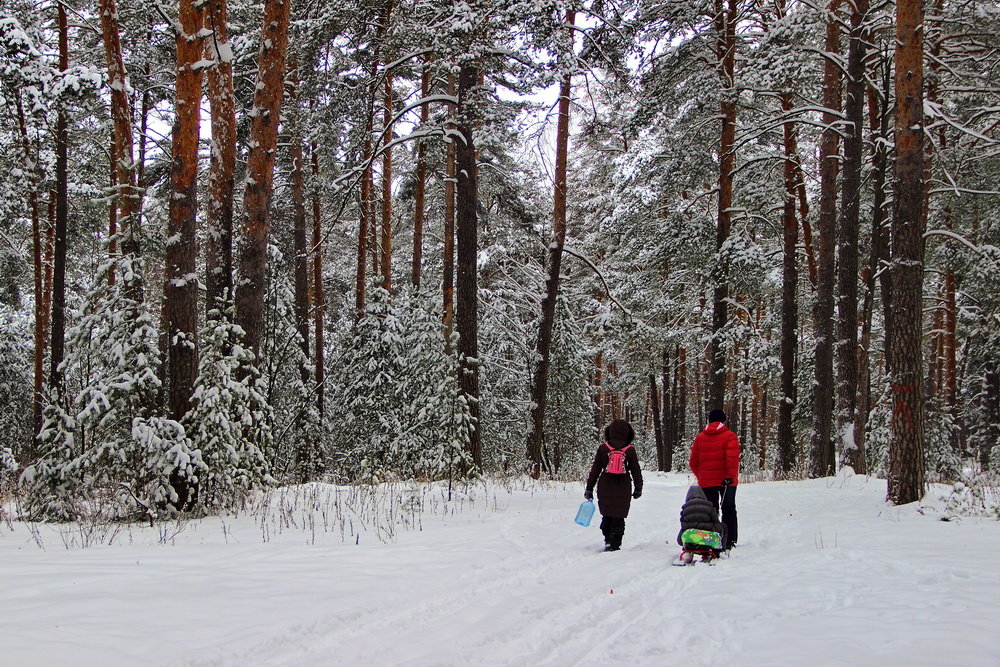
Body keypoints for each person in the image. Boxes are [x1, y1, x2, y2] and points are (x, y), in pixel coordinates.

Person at [584, 419, 643, 551]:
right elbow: (636, 470)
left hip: (605, 485)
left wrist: (589, 488)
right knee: (619, 515)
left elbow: (595, 470)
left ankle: (607, 539)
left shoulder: (603, 448)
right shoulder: (630, 450)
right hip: (623, 486)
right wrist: (639, 488)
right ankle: (616, 542)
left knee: (607, 514)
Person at [688, 408, 740, 550]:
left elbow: (693, 462)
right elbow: (732, 458)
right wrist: (730, 476)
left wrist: (702, 475)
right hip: (727, 481)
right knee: (729, 509)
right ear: (723, 420)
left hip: (707, 481)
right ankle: (729, 540)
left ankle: (711, 539)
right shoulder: (730, 436)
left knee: (710, 510)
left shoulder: (700, 438)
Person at [676, 485, 727, 556]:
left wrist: (681, 540)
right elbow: (717, 524)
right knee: (724, 526)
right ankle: (719, 551)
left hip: (691, 539)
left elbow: (684, 527)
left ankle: (687, 550)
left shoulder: (685, 508)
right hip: (706, 539)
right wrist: (719, 536)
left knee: (685, 533)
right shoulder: (709, 506)